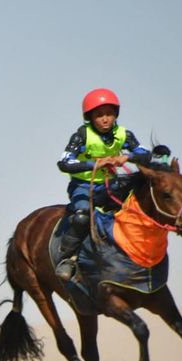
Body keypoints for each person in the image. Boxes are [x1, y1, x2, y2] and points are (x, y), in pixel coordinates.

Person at [55, 88, 152, 281]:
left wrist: (127, 157)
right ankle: (67, 259)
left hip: (111, 185)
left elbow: (146, 154)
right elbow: (64, 162)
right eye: (99, 115)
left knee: (135, 211)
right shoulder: (81, 135)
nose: (105, 119)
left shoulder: (124, 135)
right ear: (90, 118)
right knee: (82, 218)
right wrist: (95, 164)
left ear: (116, 114)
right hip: (84, 186)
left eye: (109, 114)